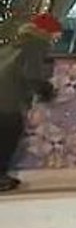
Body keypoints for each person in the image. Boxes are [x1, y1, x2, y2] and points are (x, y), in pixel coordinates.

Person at [0, 12, 59, 192]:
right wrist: (46, 90)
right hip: (8, 98)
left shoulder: (17, 42)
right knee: (7, 137)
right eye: (57, 33)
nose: (58, 37)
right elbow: (32, 73)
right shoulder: (37, 44)